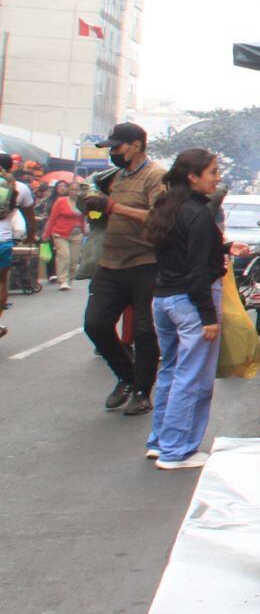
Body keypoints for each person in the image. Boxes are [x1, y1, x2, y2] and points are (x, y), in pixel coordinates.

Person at [141, 148, 227, 470]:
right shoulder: (199, 214)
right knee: (192, 378)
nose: (217, 178)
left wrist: (226, 248)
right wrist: (208, 316)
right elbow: (197, 270)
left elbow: (181, 255)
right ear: (193, 176)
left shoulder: (167, 206)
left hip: (164, 299)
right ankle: (176, 451)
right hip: (190, 303)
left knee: (171, 372)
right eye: (213, 172)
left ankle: (160, 442)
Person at [82, 122, 168, 416]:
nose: (114, 153)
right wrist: (93, 207)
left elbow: (159, 217)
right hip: (110, 263)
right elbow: (101, 211)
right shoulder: (113, 177)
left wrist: (113, 208)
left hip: (144, 263)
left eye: (117, 147)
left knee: (144, 330)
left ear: (136, 145)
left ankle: (143, 390)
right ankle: (126, 377)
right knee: (95, 324)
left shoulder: (156, 176)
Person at [0, 153, 30, 338]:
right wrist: (32, 235)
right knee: (1, 282)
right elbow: (29, 214)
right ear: (12, 167)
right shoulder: (18, 187)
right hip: (3, 240)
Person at [42, 182, 82, 290]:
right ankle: (63, 280)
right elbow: (52, 218)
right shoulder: (61, 202)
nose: (74, 192)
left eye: (76, 190)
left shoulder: (81, 202)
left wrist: (84, 229)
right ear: (68, 190)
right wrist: (46, 234)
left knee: (74, 260)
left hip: (76, 234)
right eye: (72, 189)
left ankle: (70, 277)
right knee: (64, 256)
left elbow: (84, 217)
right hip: (60, 233)